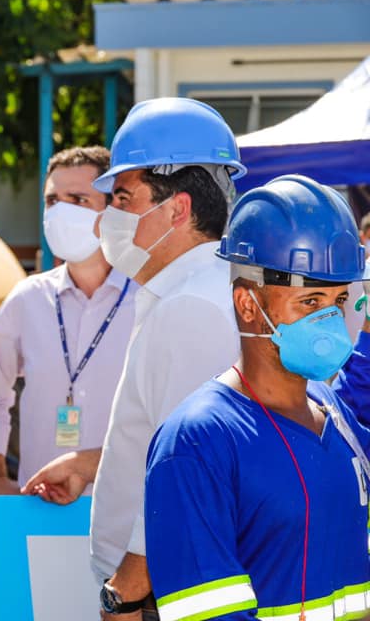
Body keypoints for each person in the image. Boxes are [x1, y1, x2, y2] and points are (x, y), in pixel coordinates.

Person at [22, 98, 245, 617]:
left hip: (165, 592)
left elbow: (188, 472)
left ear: (179, 209)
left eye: (122, 197)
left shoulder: (191, 307)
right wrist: (92, 464)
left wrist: (126, 588)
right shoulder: (195, 292)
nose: (107, 220)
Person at [146, 175, 370, 620]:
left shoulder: (334, 413)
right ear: (248, 304)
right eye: (310, 302)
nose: (332, 319)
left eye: (340, 299)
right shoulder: (196, 442)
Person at [0, 146, 136, 496]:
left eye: (77, 199)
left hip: (129, 510)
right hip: (41, 511)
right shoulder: (27, 299)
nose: (61, 212)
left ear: (112, 211)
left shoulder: (148, 299)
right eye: (52, 201)